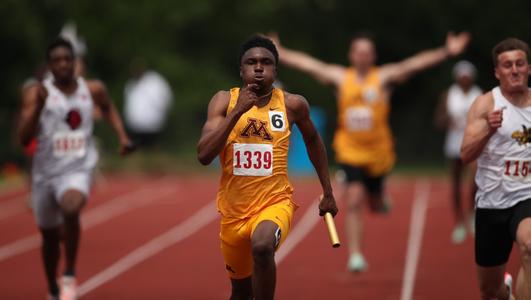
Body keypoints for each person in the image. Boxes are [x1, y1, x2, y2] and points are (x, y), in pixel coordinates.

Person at [270, 31, 470, 272]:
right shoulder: (341, 78)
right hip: (350, 150)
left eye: (367, 52)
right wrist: (280, 51)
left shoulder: (383, 78)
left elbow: (414, 64)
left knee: (374, 204)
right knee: (354, 198)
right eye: (359, 51)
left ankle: (378, 197)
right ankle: (355, 255)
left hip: (378, 154)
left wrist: (446, 51)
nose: (363, 56)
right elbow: (310, 65)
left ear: (373, 56)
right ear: (351, 55)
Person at [197, 35, 338, 300]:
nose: (259, 67)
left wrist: (328, 191)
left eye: (266, 62)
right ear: (241, 70)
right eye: (251, 62)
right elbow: (204, 154)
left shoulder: (292, 105)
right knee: (240, 292)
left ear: (275, 70)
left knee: (262, 248)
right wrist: (237, 112)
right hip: (234, 213)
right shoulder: (223, 102)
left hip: (274, 203)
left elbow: (313, 141)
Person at [18, 37, 133, 300]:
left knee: (71, 207)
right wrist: (38, 107)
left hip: (78, 169)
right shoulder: (36, 92)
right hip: (45, 173)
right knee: (48, 238)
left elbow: (107, 106)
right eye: (56, 60)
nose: (63, 65)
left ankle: (69, 272)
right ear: (49, 65)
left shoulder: (92, 89)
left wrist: (122, 136)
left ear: (75, 62)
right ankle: (53, 286)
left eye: (67, 59)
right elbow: (24, 138)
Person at [461, 38, 531, 300]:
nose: (514, 70)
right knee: (490, 291)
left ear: (528, 68)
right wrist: (489, 130)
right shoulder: (485, 105)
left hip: (526, 195)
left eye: (519, 64)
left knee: (530, 245)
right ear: (497, 72)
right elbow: (466, 154)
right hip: (492, 202)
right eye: (507, 65)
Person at [434, 60, 482, 244]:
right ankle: (459, 222)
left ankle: (472, 215)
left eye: (467, 77)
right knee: (455, 185)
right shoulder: (449, 95)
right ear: (457, 78)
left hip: (474, 144)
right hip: (454, 145)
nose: (464, 80)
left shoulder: (479, 95)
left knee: (474, 183)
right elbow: (438, 119)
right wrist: (447, 120)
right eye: (461, 77)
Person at [124, 58, 173, 147]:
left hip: (154, 125)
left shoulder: (156, 81)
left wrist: (163, 115)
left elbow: (166, 98)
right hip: (135, 126)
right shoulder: (130, 84)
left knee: (152, 149)